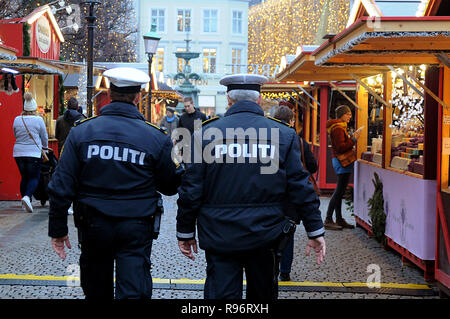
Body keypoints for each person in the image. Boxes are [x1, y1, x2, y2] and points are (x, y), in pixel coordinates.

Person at [176, 74, 326, 300]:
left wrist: (186, 231)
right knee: (263, 294)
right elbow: (300, 186)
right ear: (259, 99)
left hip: (220, 233)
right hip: (266, 233)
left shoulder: (205, 134)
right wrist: (314, 230)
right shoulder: (283, 134)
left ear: (228, 99)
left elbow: (192, 187)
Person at [47, 67, 182, 299]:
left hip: (92, 224)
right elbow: (170, 186)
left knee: (96, 287)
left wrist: (58, 229)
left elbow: (61, 185)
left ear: (109, 92)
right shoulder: (155, 137)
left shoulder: (82, 132)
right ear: (138, 97)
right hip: (136, 225)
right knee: (133, 290)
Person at [273, 105, 318, 282]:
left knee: (271, 233)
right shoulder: (299, 141)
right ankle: (285, 271)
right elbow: (313, 166)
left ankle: (272, 268)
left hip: (272, 195)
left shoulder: (265, 138)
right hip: (291, 196)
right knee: (288, 234)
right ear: (291, 121)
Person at [325, 105, 361, 230]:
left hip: (340, 161)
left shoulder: (339, 127)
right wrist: (354, 139)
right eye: (348, 114)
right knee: (339, 191)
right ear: (342, 115)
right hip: (342, 161)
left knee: (339, 191)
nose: (350, 116)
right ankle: (329, 218)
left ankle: (339, 219)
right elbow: (341, 147)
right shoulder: (338, 129)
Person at [13, 92, 48, 213]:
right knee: (34, 177)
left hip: (18, 153)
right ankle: (27, 197)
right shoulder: (38, 120)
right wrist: (45, 148)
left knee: (24, 177)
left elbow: (15, 134)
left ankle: (24, 204)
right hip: (33, 153)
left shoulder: (17, 119)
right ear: (34, 109)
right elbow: (44, 136)